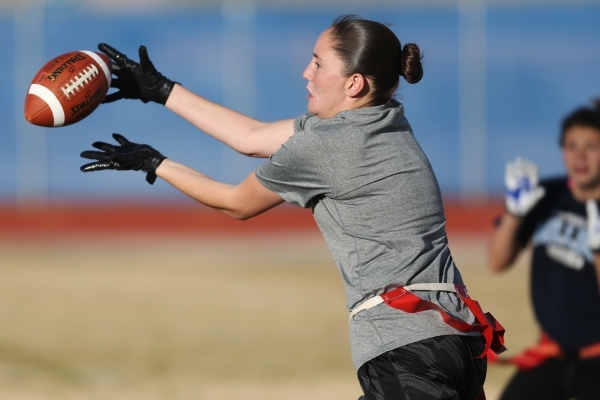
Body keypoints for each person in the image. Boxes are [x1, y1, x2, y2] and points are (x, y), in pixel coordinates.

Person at [81, 15, 504, 400]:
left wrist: (156, 164)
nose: (306, 72)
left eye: (318, 64)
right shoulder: (388, 119)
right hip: (456, 340)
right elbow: (250, 136)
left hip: (405, 346)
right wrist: (161, 90)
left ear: (353, 84)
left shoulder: (326, 146)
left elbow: (235, 204)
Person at [489, 100, 600, 400]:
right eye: (571, 145)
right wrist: (514, 212)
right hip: (552, 353)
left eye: (591, 146)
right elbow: (497, 261)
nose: (580, 155)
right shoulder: (547, 195)